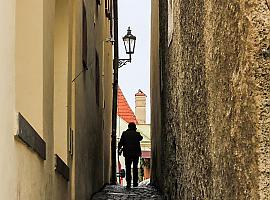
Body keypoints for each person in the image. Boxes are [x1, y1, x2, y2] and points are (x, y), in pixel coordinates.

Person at [118, 122, 143, 188]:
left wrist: (119, 149)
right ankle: (135, 183)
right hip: (135, 154)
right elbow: (141, 138)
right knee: (135, 168)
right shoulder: (137, 134)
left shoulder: (124, 133)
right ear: (134, 127)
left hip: (127, 154)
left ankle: (128, 183)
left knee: (128, 168)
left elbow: (120, 143)